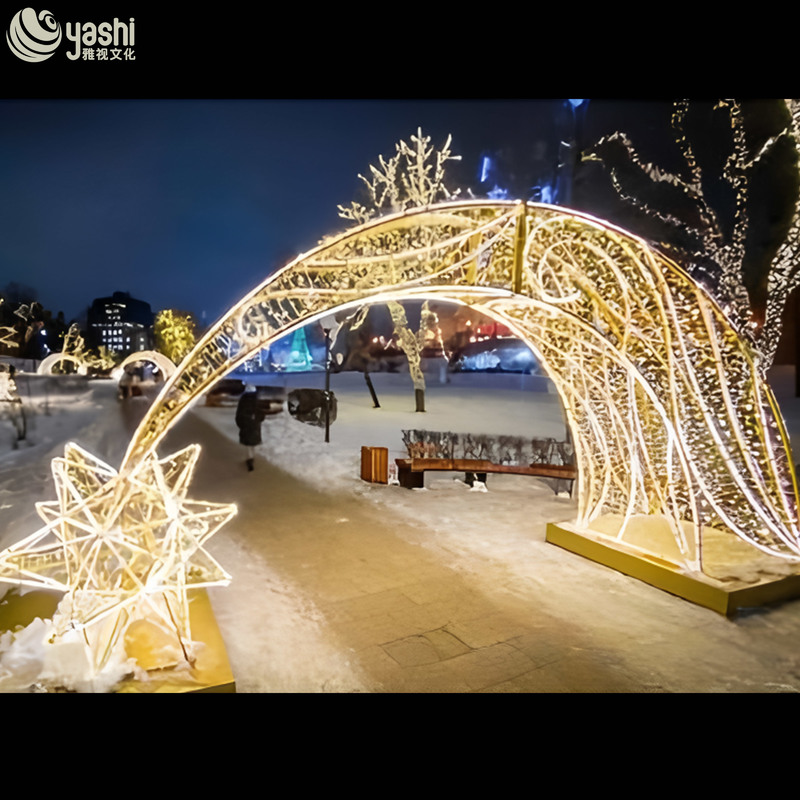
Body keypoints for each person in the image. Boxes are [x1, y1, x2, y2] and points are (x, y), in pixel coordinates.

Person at [235, 383, 266, 471]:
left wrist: (240, 423)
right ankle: (251, 458)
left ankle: (250, 458)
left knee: (248, 443)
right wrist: (259, 419)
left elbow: (239, 413)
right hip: (254, 424)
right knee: (253, 442)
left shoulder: (243, 399)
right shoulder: (256, 400)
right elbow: (260, 412)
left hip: (246, 424)